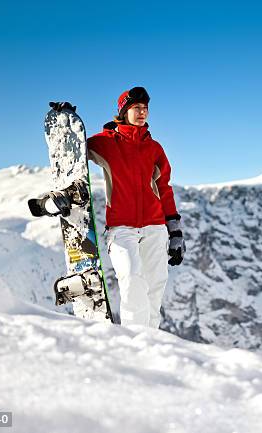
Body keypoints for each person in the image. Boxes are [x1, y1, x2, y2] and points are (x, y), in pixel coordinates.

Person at [87, 86, 185, 329]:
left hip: (154, 226)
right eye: (136, 108)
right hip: (122, 228)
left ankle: (150, 343)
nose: (142, 113)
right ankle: (133, 341)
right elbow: (77, 148)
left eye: (145, 108)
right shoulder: (106, 144)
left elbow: (164, 188)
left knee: (154, 289)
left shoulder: (154, 148)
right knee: (131, 281)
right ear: (123, 112)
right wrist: (66, 124)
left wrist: (175, 231)